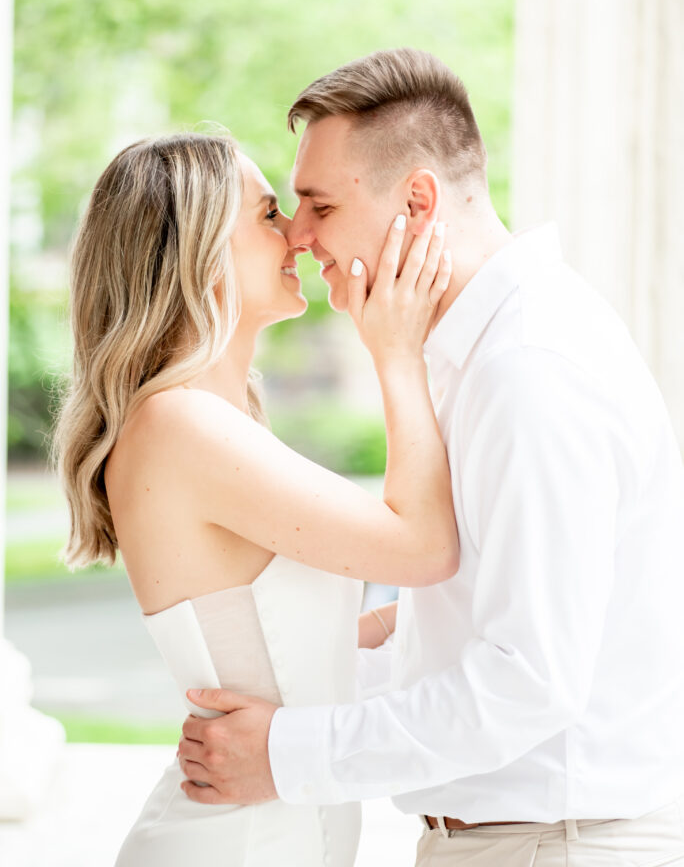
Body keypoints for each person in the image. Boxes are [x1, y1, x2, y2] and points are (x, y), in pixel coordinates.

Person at [179, 49, 684, 866]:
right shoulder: (472, 357)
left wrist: (287, 753)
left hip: (558, 845)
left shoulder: (529, 374)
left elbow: (529, 681)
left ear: (418, 200)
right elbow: (463, 634)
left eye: (318, 204)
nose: (300, 237)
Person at [51, 130, 459, 867]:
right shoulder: (181, 425)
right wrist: (395, 353)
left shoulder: (217, 416)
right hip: (234, 845)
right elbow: (421, 546)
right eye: (270, 214)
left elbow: (285, 637)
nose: (299, 236)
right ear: (202, 250)